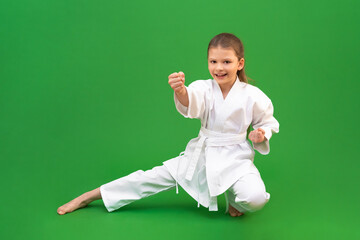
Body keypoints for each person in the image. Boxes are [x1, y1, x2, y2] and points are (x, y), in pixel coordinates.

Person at [57, 32, 280, 217]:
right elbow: (191, 102)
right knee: (149, 177)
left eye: (226, 62)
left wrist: (262, 133)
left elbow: (267, 122)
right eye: (213, 61)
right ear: (208, 62)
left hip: (236, 158)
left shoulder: (253, 95)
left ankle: (235, 202)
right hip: (204, 154)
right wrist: (181, 91)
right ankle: (89, 196)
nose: (219, 68)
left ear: (239, 63)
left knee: (255, 198)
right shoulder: (203, 87)